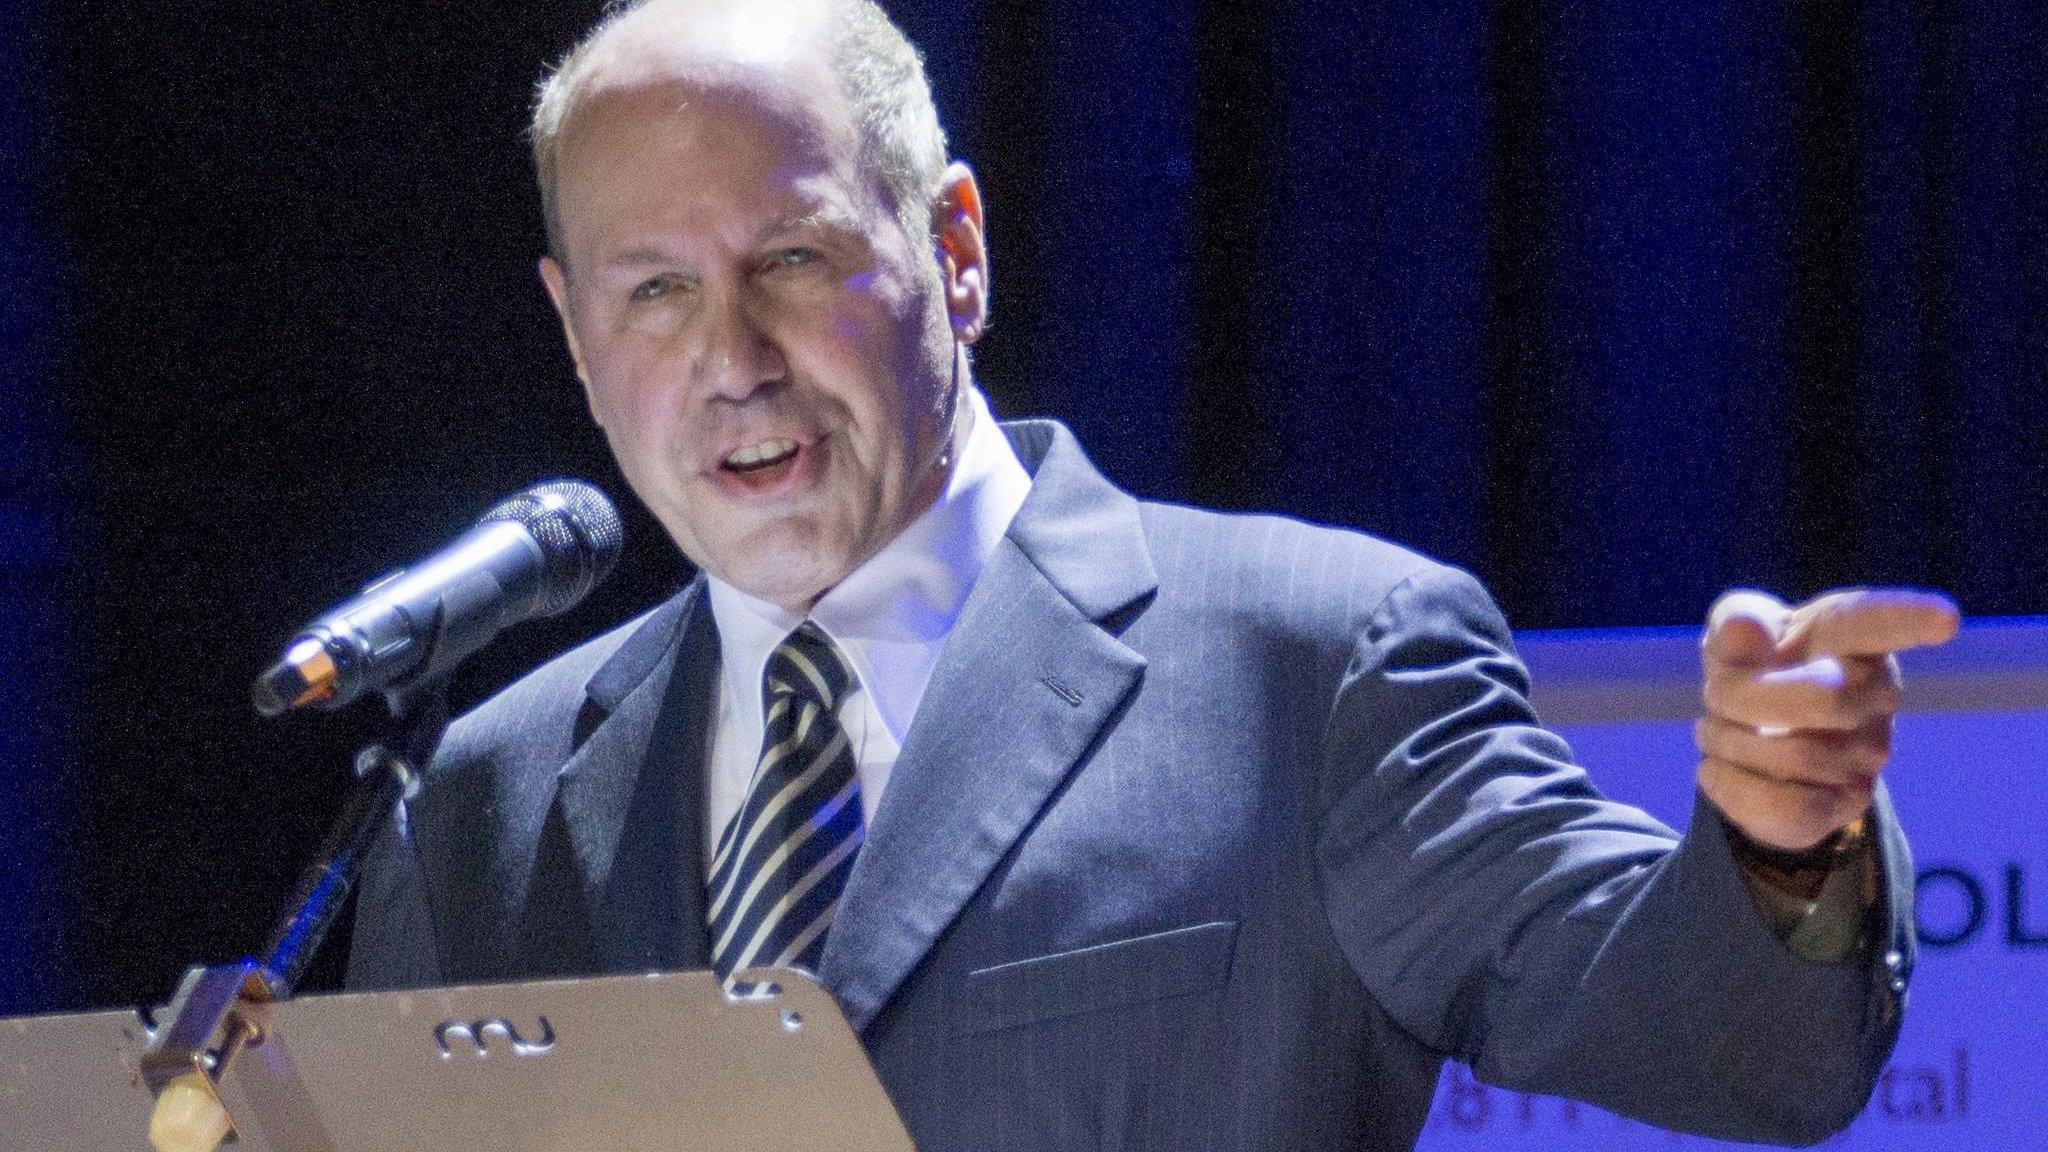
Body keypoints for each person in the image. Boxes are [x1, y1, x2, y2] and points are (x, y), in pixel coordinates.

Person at [346, 2, 1961, 1149]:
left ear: (954, 251)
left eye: (791, 259)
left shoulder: (1310, 668)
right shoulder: (485, 800)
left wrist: (1774, 848)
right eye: (653, 293)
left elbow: (1730, 1047)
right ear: (572, 331)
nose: (732, 361)